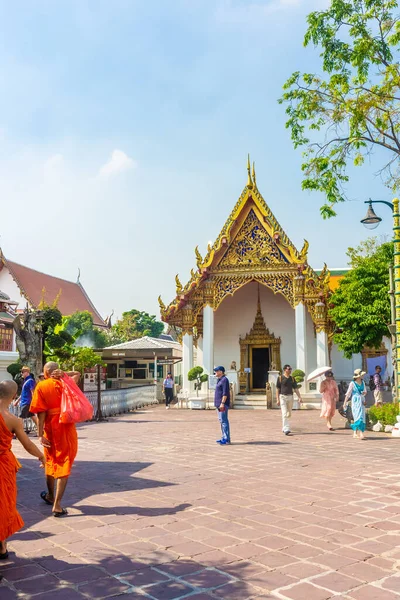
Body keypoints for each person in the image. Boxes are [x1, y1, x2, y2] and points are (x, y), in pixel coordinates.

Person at [0, 380, 45, 560]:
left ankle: (2, 546)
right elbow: (27, 444)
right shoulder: (12, 420)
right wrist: (41, 456)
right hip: (3, 465)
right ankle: (2, 546)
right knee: (3, 504)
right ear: (13, 397)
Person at [30, 362, 80, 517]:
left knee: (50, 461)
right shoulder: (66, 383)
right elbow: (77, 373)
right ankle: (57, 504)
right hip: (66, 427)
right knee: (64, 462)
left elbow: (40, 413)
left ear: (45, 372)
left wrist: (40, 434)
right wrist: (63, 373)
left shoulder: (42, 386)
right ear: (56, 371)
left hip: (50, 429)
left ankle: (51, 496)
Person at [276, 364, 302, 435]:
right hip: (282, 397)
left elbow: (296, 389)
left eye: (290, 369)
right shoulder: (280, 378)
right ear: (285, 370)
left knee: (289, 413)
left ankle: (284, 426)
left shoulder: (292, 378)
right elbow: (278, 389)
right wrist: (277, 399)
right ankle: (286, 428)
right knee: (284, 413)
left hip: (290, 396)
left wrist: (299, 397)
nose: (290, 370)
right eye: (289, 369)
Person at [344, 369, 367, 440]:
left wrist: (364, 395)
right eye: (361, 375)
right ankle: (357, 433)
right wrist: (345, 402)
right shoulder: (352, 383)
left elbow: (365, 391)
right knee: (357, 416)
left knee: (362, 417)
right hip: (355, 401)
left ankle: (359, 433)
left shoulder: (363, 382)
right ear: (358, 376)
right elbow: (348, 393)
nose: (363, 376)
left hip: (361, 400)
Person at [14, 366, 38, 431]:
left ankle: (18, 432)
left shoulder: (30, 381)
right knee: (33, 416)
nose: (21, 373)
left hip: (27, 402)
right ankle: (41, 430)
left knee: (20, 417)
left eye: (22, 372)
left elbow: (33, 392)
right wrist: (17, 401)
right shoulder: (26, 381)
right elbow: (23, 393)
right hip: (26, 401)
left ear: (27, 372)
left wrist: (34, 402)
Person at [214, 366, 230, 445]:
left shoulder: (224, 380)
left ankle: (226, 438)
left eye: (217, 371)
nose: (215, 372)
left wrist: (222, 403)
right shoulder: (219, 380)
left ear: (221, 372)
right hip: (218, 404)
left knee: (224, 421)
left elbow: (225, 393)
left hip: (222, 405)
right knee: (221, 420)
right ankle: (224, 437)